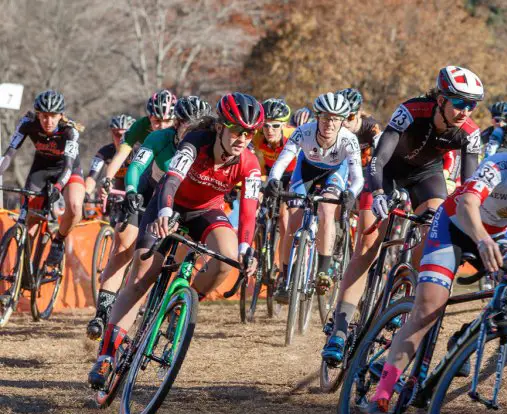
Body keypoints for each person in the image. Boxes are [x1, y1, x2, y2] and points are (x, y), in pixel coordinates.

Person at [365, 118, 507, 414]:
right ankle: (382, 395)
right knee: (429, 308)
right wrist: (481, 239)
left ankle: (465, 337)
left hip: (494, 233)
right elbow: (468, 202)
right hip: (453, 226)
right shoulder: (502, 165)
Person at [88, 92, 263, 389]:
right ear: (220, 127)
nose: (242, 138)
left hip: (207, 211)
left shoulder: (249, 162)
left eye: (249, 133)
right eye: (236, 130)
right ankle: (106, 355)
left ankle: (180, 307)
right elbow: (170, 179)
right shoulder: (195, 141)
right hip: (169, 204)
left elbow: (248, 210)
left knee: (226, 258)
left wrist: (247, 249)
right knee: (142, 276)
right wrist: (166, 211)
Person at [321, 65, 484, 364]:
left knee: (434, 234)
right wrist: (379, 193)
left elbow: (468, 189)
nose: (465, 111)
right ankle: (340, 328)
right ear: (441, 99)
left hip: (427, 176)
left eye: (471, 105)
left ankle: (400, 292)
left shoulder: (469, 134)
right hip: (387, 173)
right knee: (367, 248)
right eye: (459, 102)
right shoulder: (411, 111)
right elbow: (377, 161)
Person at [85, 96, 213, 340]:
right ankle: (102, 313)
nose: (196, 131)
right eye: (190, 125)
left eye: (201, 126)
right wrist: (130, 191)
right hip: (147, 192)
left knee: (164, 258)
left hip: (177, 203)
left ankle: (155, 309)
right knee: (124, 244)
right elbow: (135, 166)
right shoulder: (158, 137)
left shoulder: (206, 145)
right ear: (178, 123)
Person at [265, 92, 362, 301]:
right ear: (317, 117)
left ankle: (323, 272)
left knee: (327, 210)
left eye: (336, 119)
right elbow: (282, 161)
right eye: (326, 117)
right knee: (293, 221)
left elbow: (358, 178)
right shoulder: (303, 132)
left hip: (335, 172)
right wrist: (273, 180)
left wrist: (351, 194)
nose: (330, 123)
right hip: (306, 170)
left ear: (342, 121)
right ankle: (285, 279)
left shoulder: (349, 140)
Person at [0, 90, 85, 266]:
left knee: (75, 206)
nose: (48, 121)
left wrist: (59, 187)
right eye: (44, 116)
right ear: (38, 115)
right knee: (30, 223)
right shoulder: (27, 123)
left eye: (53, 116)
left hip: (68, 170)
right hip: (41, 168)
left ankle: (58, 241)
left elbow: (68, 166)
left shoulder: (70, 131)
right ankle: (21, 272)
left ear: (61, 115)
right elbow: (9, 153)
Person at [98, 89, 177, 194]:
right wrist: (107, 179)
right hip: (150, 164)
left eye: (167, 121)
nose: (162, 126)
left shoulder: (180, 128)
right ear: (149, 117)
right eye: (157, 121)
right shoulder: (140, 127)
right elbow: (121, 154)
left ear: (176, 120)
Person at [251, 98, 296, 246]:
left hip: (291, 175)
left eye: (275, 126)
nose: (270, 130)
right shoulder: (257, 136)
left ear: (284, 125)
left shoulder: (292, 136)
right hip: (270, 173)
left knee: (283, 215)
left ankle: (284, 252)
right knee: (254, 204)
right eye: (266, 125)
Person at [84, 114, 136, 194]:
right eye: (118, 135)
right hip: (115, 190)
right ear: (112, 133)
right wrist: (86, 193)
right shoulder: (105, 151)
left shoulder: (139, 150)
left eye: (126, 135)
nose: (122, 139)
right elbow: (92, 177)